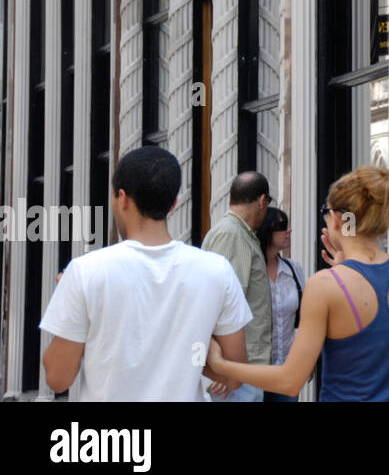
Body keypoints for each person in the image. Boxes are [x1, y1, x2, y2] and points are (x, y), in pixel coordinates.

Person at [39, 147, 252, 401]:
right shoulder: (217, 271)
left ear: (123, 197)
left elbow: (58, 378)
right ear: (172, 204)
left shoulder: (86, 272)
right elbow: (236, 376)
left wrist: (69, 303)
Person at [207, 166, 389, 401]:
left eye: (325, 212)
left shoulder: (326, 285)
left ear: (338, 219)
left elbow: (290, 381)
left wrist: (220, 365)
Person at [202, 171, 274, 402]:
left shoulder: (238, 233)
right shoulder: (233, 235)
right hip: (237, 372)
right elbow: (222, 305)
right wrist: (224, 368)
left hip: (240, 370)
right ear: (262, 201)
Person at [256, 207, 305, 402]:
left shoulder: (294, 269)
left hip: (288, 368)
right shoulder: (253, 273)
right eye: (282, 226)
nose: (289, 230)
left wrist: (305, 361)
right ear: (267, 230)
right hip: (256, 368)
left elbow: (306, 319)